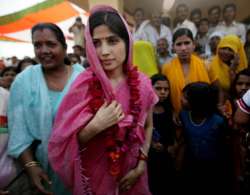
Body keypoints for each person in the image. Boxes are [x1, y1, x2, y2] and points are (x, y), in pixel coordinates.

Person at [48, 5, 158, 195]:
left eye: (112, 41)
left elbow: (148, 125)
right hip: (95, 180)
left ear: (127, 41)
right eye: (97, 43)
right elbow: (61, 144)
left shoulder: (143, 84)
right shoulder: (83, 85)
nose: (104, 51)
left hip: (133, 174)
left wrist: (141, 164)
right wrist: (94, 126)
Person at [7, 23, 84, 195]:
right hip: (41, 170)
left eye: (51, 44)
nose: (44, 50)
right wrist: (31, 166)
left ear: (64, 47)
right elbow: (18, 131)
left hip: (81, 169)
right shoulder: (23, 81)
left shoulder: (83, 79)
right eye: (38, 45)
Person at [180, 82, 229, 192]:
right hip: (191, 166)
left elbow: (223, 149)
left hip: (213, 169)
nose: (181, 99)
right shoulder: (183, 115)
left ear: (197, 101)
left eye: (185, 98)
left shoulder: (218, 121)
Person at [162, 28, 210, 114]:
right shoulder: (166, 68)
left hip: (202, 116)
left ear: (194, 44)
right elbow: (165, 94)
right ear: (173, 47)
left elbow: (215, 90)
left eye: (187, 43)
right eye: (179, 44)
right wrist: (173, 112)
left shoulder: (205, 65)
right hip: (176, 117)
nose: (183, 48)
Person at [147, 74, 176, 195]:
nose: (163, 92)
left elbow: (172, 133)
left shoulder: (169, 110)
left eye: (166, 89)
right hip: (148, 158)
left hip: (166, 158)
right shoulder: (144, 110)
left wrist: (172, 145)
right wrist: (151, 144)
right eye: (158, 88)